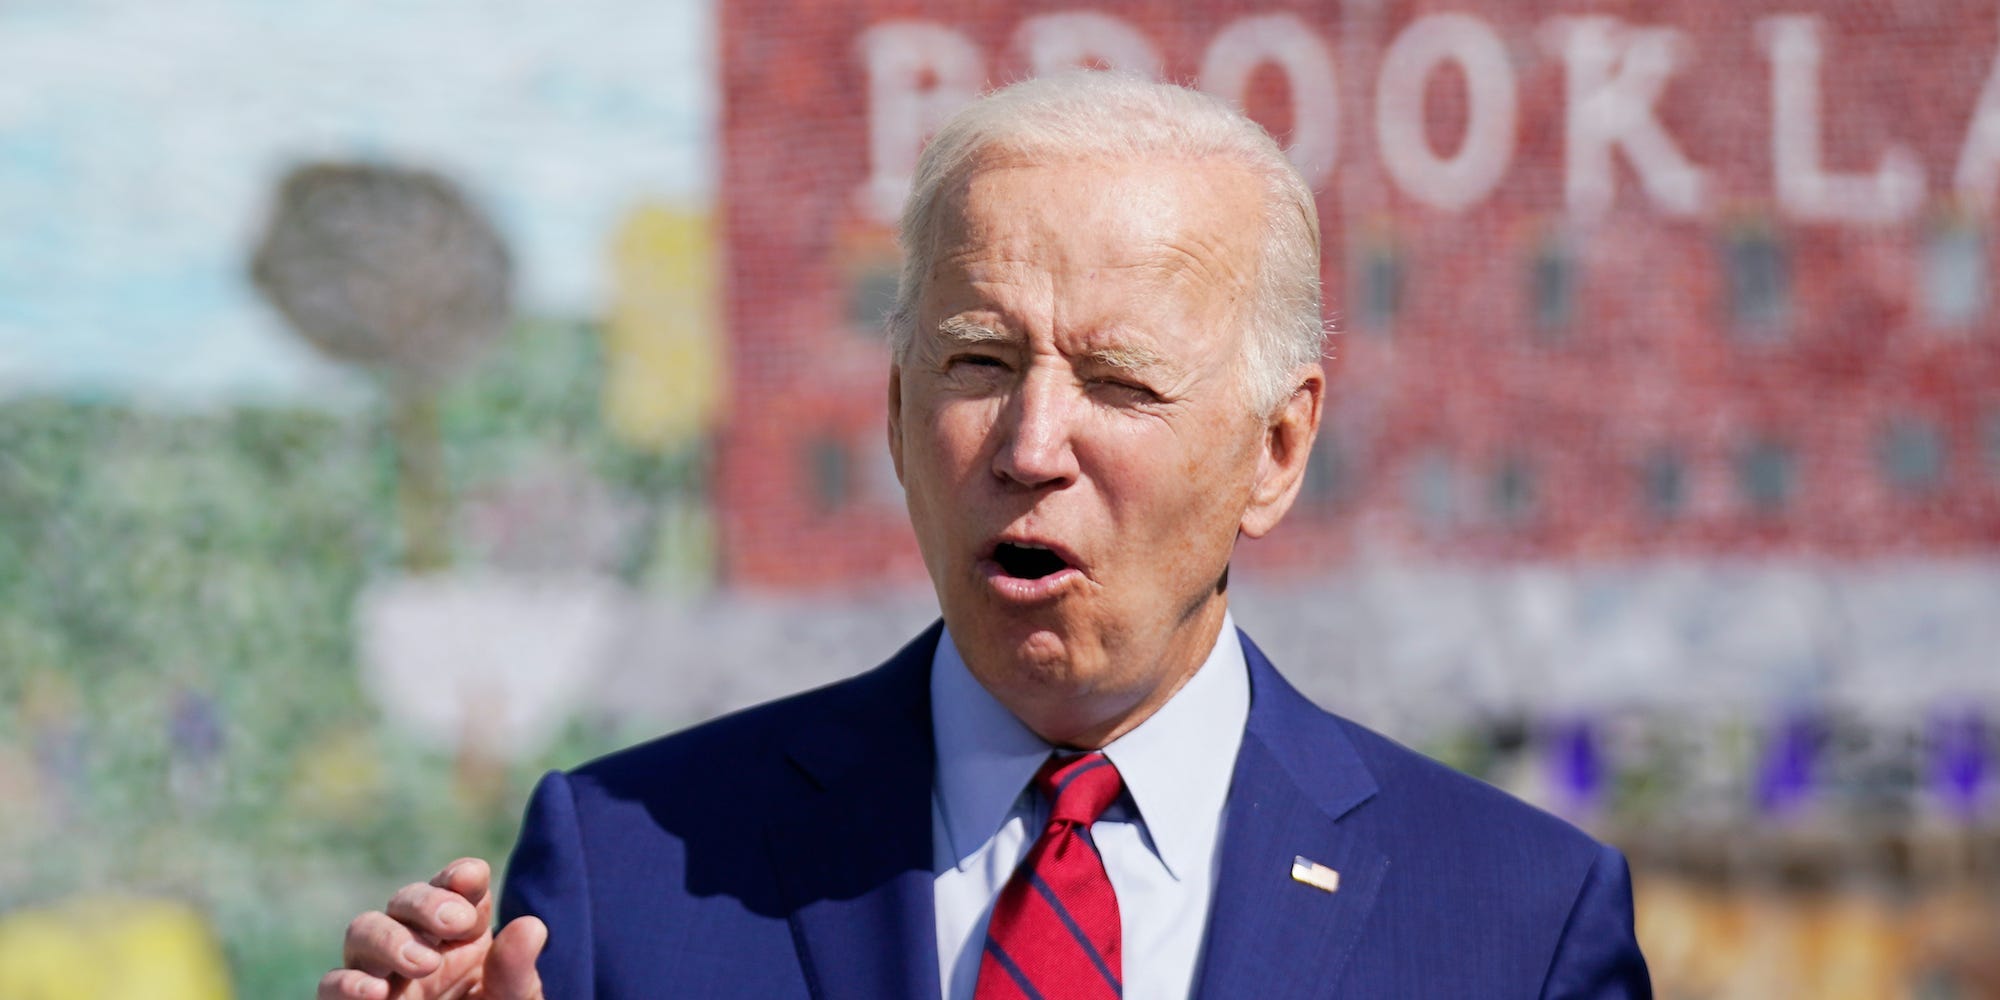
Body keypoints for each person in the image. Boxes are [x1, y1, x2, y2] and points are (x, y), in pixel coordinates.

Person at [320, 73, 1651, 1000]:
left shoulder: (1514, 922)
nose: (1029, 444)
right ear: (898, 414)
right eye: (974, 363)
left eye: (1120, 382)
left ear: (1276, 449)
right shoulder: (626, 869)